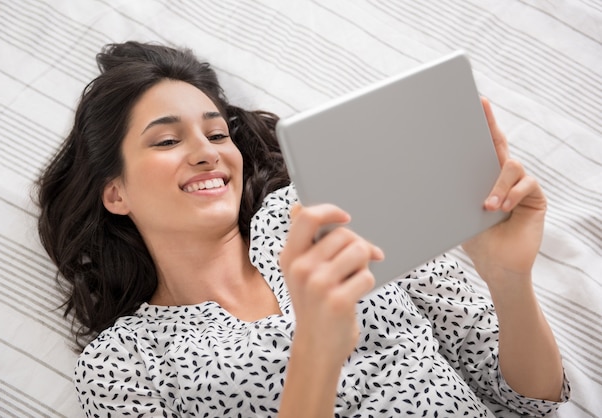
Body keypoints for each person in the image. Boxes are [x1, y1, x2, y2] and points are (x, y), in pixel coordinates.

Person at [38, 41, 569, 417]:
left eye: (218, 133)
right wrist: (316, 348)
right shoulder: (122, 363)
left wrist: (507, 278)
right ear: (116, 193)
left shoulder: (329, 210)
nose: (207, 154)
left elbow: (531, 400)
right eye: (167, 141)